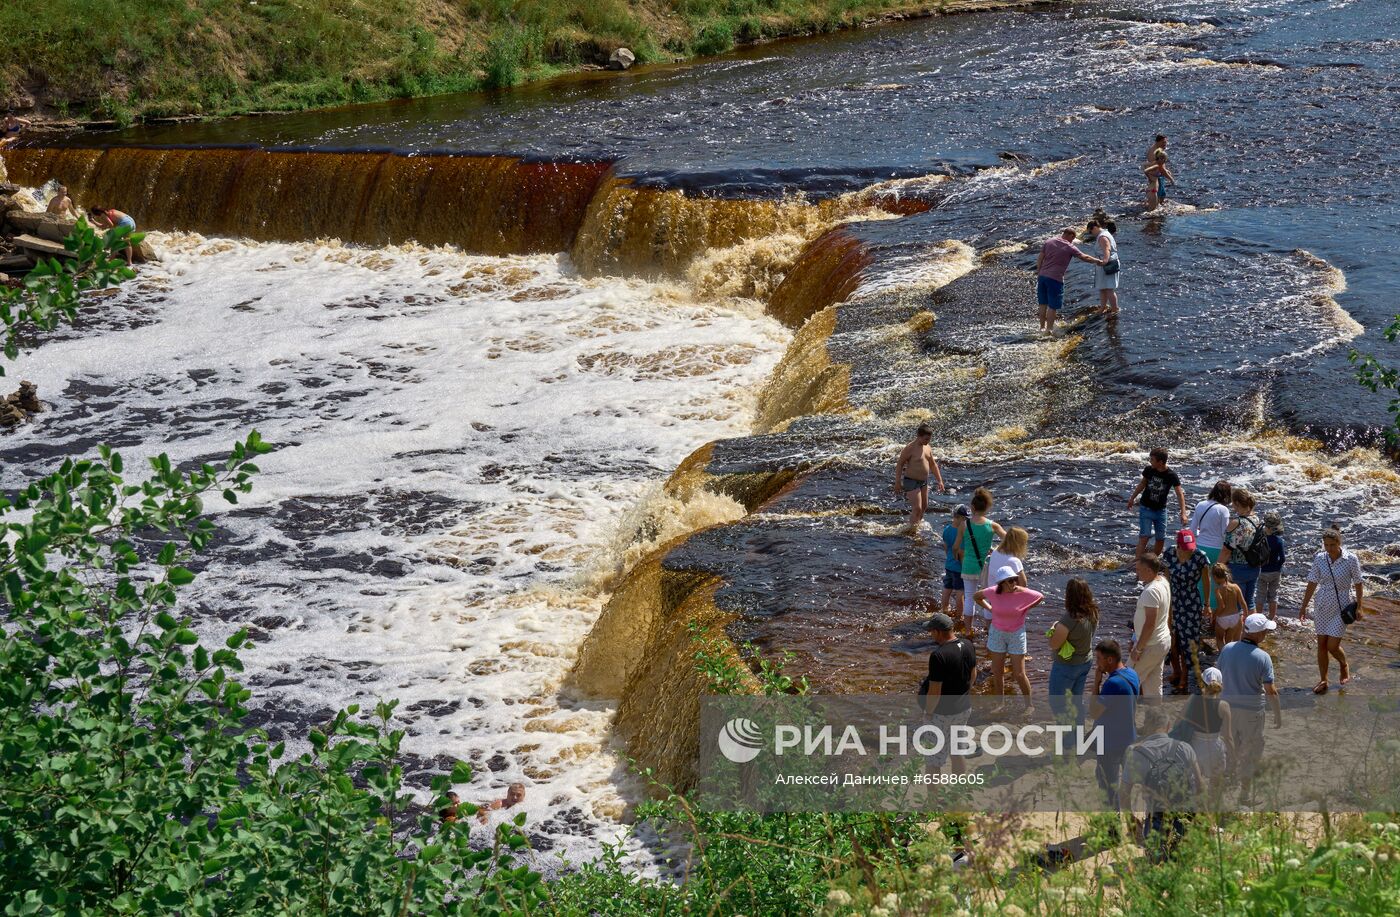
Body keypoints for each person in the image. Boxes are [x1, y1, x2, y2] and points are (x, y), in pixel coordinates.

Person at [1120, 705, 1201, 862]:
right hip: (1185, 815)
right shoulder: (1185, 748)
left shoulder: (1135, 753)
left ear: (1146, 726)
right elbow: (1200, 787)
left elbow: (1124, 793)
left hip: (1156, 817)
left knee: (1155, 862)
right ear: (1168, 726)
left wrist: (1131, 821)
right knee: (1182, 861)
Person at [1218, 614, 1280, 805]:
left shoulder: (1227, 648)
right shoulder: (1263, 658)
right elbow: (1271, 690)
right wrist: (1278, 714)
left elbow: (1217, 678)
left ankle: (1224, 790)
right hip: (1251, 712)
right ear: (1259, 634)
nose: (1266, 634)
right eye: (1265, 631)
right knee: (1251, 752)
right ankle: (1245, 796)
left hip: (1226, 709)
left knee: (1230, 748)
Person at [1299, 527, 1364, 694]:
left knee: (1332, 646)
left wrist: (1360, 606)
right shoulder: (1320, 558)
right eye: (1326, 545)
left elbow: (1358, 583)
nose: (1329, 548)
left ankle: (1343, 664)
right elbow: (1312, 582)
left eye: (1332, 545)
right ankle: (1323, 680)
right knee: (1321, 644)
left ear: (1339, 543)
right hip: (1322, 604)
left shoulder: (1350, 559)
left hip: (1341, 605)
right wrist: (1304, 605)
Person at [974, 565, 1042, 713]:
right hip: (997, 633)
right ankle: (1000, 704)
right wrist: (990, 608)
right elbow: (976, 596)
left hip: (1016, 634)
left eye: (1014, 580)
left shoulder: (1021, 592)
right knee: (997, 671)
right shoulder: (992, 592)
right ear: (1001, 583)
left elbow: (1039, 596)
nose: (1013, 584)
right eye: (1010, 581)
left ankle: (1029, 705)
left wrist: (1026, 607)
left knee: (1019, 673)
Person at [921, 613, 977, 773]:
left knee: (933, 760)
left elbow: (935, 692)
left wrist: (928, 713)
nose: (931, 634)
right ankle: (957, 793)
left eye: (931, 631)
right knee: (957, 752)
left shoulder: (938, 656)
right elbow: (973, 676)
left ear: (938, 632)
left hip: (942, 713)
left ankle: (933, 799)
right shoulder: (968, 645)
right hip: (964, 708)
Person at [1089, 638, 1140, 806]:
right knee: (1124, 785)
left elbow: (1094, 712)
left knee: (1108, 786)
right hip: (1129, 737)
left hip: (1111, 742)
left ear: (1109, 659)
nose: (1097, 664)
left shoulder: (1113, 683)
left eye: (1099, 659)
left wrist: (1096, 682)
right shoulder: (1132, 674)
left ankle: (1111, 829)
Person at [1164, 529, 1210, 693]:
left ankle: (1184, 677)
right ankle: (1176, 671)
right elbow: (1166, 580)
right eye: (1186, 547)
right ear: (1178, 545)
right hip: (1173, 600)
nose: (1189, 549)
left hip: (1191, 602)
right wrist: (1165, 603)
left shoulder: (1200, 556)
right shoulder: (1169, 554)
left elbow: (1206, 581)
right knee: (1172, 639)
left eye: (1190, 546)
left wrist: (1207, 605)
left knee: (1187, 642)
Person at [1047, 577, 1098, 724]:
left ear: (1069, 596)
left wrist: (1053, 628)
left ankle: (1067, 740)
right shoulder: (1093, 612)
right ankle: (1078, 733)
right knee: (1076, 701)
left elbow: (1054, 645)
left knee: (1058, 704)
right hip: (1085, 661)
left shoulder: (1069, 619)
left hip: (1067, 666)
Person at [1181, 667, 1233, 802]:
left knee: (1195, 785)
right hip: (1215, 746)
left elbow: (1178, 724)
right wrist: (1233, 755)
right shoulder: (1224, 705)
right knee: (1216, 786)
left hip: (1195, 745)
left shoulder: (1192, 700)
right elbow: (1228, 736)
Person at [957, 487, 1005, 629]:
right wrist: (995, 551)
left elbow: (957, 547)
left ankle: (968, 631)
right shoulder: (992, 525)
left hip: (968, 565)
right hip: (986, 565)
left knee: (970, 597)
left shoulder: (964, 525)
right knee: (988, 597)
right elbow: (1009, 539)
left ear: (972, 507)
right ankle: (989, 629)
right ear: (987, 507)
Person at [1127, 447, 1187, 560]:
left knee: (1160, 539)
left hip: (1161, 511)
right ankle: (1137, 562)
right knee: (1144, 537)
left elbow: (1179, 494)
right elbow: (1142, 484)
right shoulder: (1149, 470)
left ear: (1160, 462)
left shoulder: (1171, 475)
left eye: (1152, 460)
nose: (1150, 461)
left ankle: (1152, 562)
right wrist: (1132, 498)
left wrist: (1183, 512)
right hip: (1146, 509)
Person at [1035, 226, 1097, 333]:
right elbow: (1084, 257)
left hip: (1042, 277)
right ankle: (1049, 330)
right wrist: (1098, 261)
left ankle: (1041, 327)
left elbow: (1040, 257)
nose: (1072, 241)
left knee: (1042, 304)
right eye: (1073, 239)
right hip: (1055, 279)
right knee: (1052, 306)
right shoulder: (1069, 247)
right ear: (1070, 236)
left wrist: (1039, 272)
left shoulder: (1049, 241)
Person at [1131, 553, 1172, 698]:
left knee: (1128, 680)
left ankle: (1120, 714)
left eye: (1139, 569)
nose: (1136, 572)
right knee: (1153, 685)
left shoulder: (1151, 591)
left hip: (1150, 644)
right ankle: (1156, 717)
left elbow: (1150, 624)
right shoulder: (1163, 581)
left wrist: (1138, 648)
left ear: (1149, 570)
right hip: (1162, 640)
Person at [893, 422, 946, 532]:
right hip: (911, 481)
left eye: (929, 439)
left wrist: (939, 480)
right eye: (926, 439)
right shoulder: (909, 448)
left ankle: (914, 527)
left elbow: (932, 464)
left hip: (923, 482)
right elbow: (900, 464)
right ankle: (912, 531)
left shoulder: (927, 447)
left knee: (924, 507)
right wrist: (897, 482)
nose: (927, 442)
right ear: (919, 436)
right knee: (917, 508)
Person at [1189, 480, 1232, 610]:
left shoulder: (1200, 505)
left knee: (1199, 581)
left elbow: (1192, 529)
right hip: (1217, 550)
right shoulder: (1223, 510)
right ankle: (1213, 610)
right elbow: (1225, 533)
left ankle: (1198, 607)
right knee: (1215, 582)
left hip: (1200, 547)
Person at [1220, 488, 1264, 608]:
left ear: (1238, 503)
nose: (1232, 505)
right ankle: (1252, 626)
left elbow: (1226, 551)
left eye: (1233, 503)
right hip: (1254, 566)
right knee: (1249, 603)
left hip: (1237, 568)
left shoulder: (1237, 523)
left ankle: (1239, 627)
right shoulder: (1256, 519)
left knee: (1236, 605)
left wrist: (1216, 568)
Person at [1086, 219, 1120, 317]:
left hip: (1107, 264)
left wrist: (1105, 261)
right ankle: (1103, 307)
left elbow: (1107, 249)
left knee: (1109, 288)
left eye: (1090, 231)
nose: (1091, 234)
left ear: (1095, 228)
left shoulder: (1102, 236)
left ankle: (1114, 309)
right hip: (1104, 263)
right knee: (1102, 288)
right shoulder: (1105, 233)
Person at [939, 506, 967, 620]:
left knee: (947, 588)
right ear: (958, 517)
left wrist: (949, 558)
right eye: (964, 518)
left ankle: (944, 610)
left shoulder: (946, 529)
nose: (966, 521)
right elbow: (961, 552)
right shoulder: (962, 533)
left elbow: (946, 547)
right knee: (960, 592)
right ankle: (959, 616)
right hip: (959, 567)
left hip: (949, 565)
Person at [1256, 511, 1286, 619]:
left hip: (1262, 571)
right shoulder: (1279, 541)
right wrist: (1277, 566)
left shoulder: (1260, 539)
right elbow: (1282, 559)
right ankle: (1271, 619)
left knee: (1260, 596)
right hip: (1275, 572)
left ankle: (1258, 618)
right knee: (1273, 596)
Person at [1210, 563, 1246, 646]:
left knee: (1219, 639)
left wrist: (1214, 616)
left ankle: (1223, 656)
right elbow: (1243, 603)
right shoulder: (1235, 586)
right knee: (1229, 641)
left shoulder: (1218, 590)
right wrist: (1245, 616)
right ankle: (1231, 655)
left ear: (1215, 577)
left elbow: (1222, 606)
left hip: (1223, 618)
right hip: (1235, 617)